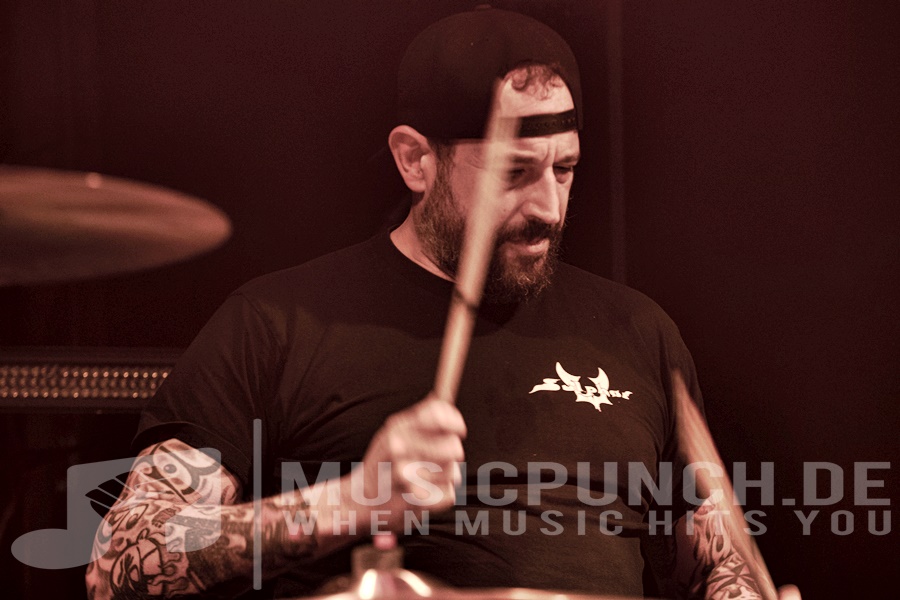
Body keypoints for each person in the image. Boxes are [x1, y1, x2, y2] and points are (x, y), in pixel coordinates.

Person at [85, 8, 800, 600]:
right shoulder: (279, 323)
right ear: (415, 160)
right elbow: (119, 563)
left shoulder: (637, 331)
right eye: (514, 172)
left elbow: (707, 561)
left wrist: (739, 586)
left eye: (566, 169)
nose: (549, 208)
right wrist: (348, 501)